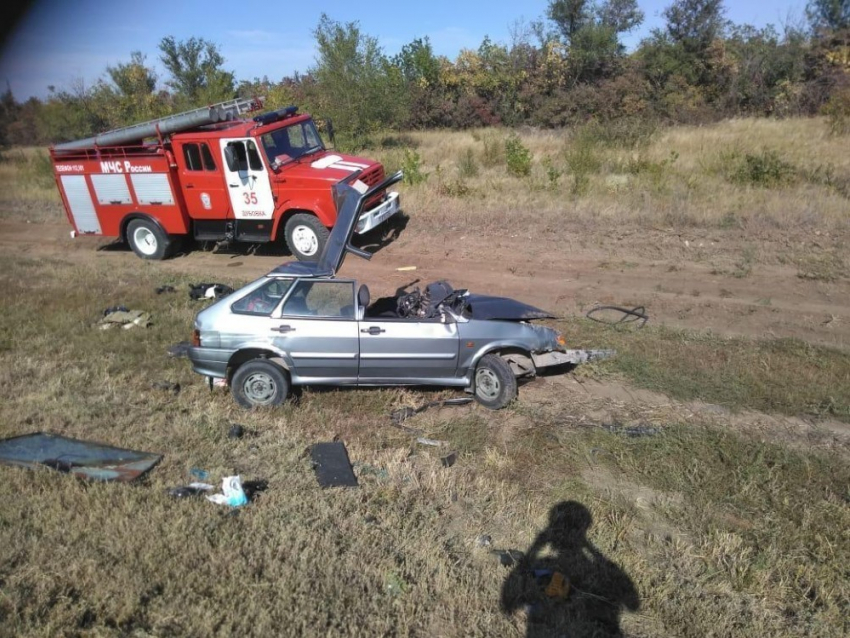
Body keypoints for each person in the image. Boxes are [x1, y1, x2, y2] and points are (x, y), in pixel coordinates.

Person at [501, 501, 639, 637]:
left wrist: (535, 548)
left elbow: (508, 603)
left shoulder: (544, 567)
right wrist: (595, 553)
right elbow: (633, 604)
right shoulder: (600, 572)